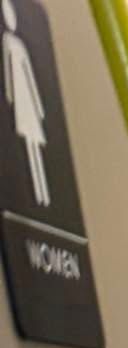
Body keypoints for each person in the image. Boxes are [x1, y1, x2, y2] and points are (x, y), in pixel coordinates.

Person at [3, 0, 49, 212]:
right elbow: (9, 76)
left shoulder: (15, 43)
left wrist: (36, 107)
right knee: (30, 148)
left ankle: (41, 196)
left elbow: (27, 75)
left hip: (25, 102)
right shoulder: (11, 43)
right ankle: (40, 196)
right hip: (22, 103)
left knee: (34, 147)